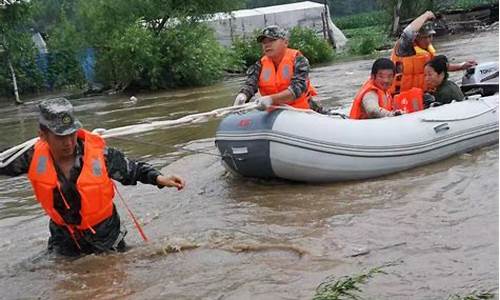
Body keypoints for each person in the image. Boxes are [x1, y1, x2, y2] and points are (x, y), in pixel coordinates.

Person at [0, 98, 185, 257]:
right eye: (60, 137)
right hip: (64, 238)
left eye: (71, 134)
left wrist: (160, 178)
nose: (68, 142)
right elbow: (3, 164)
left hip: (105, 235)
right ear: (43, 135)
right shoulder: (31, 157)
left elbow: (132, 169)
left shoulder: (98, 154)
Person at [233, 25, 318, 111]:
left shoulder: (299, 60)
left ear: (285, 42)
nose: (267, 45)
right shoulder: (260, 65)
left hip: (302, 110)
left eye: (272, 40)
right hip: (274, 113)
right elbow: (250, 84)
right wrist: (242, 96)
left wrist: (271, 99)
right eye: (264, 42)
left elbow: (297, 89)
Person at [390, 10, 476, 95]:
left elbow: (438, 68)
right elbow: (407, 33)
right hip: (402, 97)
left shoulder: (427, 51)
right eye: (424, 37)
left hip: (424, 95)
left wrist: (461, 66)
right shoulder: (404, 49)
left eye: (430, 36)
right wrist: (426, 15)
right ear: (416, 38)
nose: (428, 40)